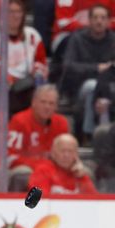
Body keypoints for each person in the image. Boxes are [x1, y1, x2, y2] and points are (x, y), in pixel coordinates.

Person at [0, 84, 69, 190]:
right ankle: (21, 206)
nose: (47, 107)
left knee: (80, 173)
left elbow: (66, 153)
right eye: (43, 102)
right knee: (24, 173)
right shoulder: (19, 121)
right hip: (3, 172)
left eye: (51, 103)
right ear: (33, 103)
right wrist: (42, 166)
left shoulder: (61, 123)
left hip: (45, 172)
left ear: (56, 106)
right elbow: (10, 158)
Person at [0, 0, 48, 114]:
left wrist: (37, 73)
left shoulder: (32, 35)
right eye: (10, 12)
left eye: (18, 12)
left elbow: (41, 62)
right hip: (2, 81)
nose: (15, 16)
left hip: (26, 83)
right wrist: (6, 77)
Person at [61, 5, 115, 138]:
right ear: (89, 20)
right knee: (92, 87)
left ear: (109, 21)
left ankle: (107, 135)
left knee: (105, 91)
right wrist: (96, 68)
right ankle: (90, 133)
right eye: (95, 18)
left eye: (103, 18)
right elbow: (68, 66)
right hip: (80, 86)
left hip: (109, 83)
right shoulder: (77, 39)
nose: (99, 21)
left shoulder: (114, 40)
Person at [27, 134, 97, 193]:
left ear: (76, 154)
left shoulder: (80, 174)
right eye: (62, 151)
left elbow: (94, 202)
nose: (66, 155)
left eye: (70, 151)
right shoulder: (42, 171)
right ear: (53, 153)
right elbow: (41, 201)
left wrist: (82, 178)